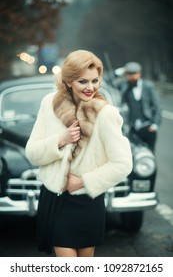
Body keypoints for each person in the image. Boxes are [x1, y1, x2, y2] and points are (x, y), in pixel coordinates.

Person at [25, 50, 132, 257]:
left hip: (87, 202)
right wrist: (61, 140)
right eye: (83, 81)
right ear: (68, 81)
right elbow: (32, 152)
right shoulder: (50, 103)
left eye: (95, 81)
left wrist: (83, 181)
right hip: (54, 198)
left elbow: (123, 164)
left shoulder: (106, 113)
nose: (90, 87)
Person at [115, 61, 161, 152]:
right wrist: (119, 72)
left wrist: (155, 124)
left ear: (139, 73)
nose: (132, 76)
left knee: (150, 155)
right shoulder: (124, 85)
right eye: (129, 73)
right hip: (132, 129)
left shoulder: (148, 86)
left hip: (148, 127)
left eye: (134, 73)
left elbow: (157, 106)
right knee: (133, 156)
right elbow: (106, 81)